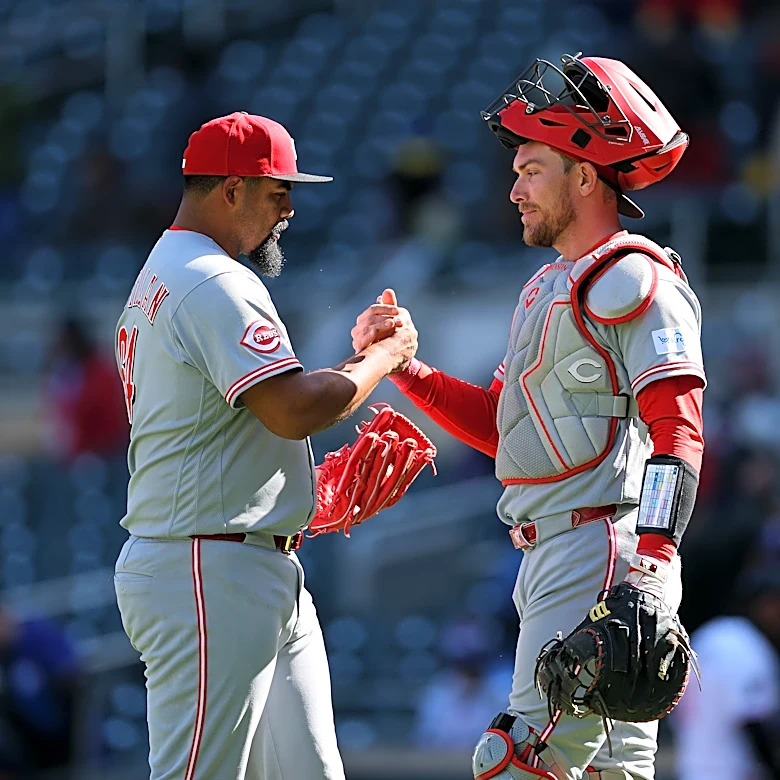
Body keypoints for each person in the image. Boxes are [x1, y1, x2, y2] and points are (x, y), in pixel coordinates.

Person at [353, 54, 705, 779]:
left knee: (513, 759)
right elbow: (506, 429)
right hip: (552, 550)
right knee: (610, 775)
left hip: (601, 548)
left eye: (531, 168)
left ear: (585, 175)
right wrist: (406, 369)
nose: (513, 188)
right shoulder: (549, 285)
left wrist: (652, 564)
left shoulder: (631, 276)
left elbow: (680, 432)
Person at [113, 112, 417, 780]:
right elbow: (291, 409)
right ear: (231, 191)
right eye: (278, 192)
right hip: (207, 565)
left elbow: (262, 410)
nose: (290, 209)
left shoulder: (173, 270)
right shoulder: (212, 279)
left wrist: (290, 489)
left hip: (247, 559)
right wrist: (385, 360)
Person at [673, 569, 780, 780]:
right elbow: (753, 723)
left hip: (692, 769)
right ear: (765, 604)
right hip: (733, 772)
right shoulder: (746, 646)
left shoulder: (710, 635)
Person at [0, 603, 81, 777]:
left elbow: (71, 675)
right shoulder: (4, 655)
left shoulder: (37, 634)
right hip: (29, 741)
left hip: (66, 727)